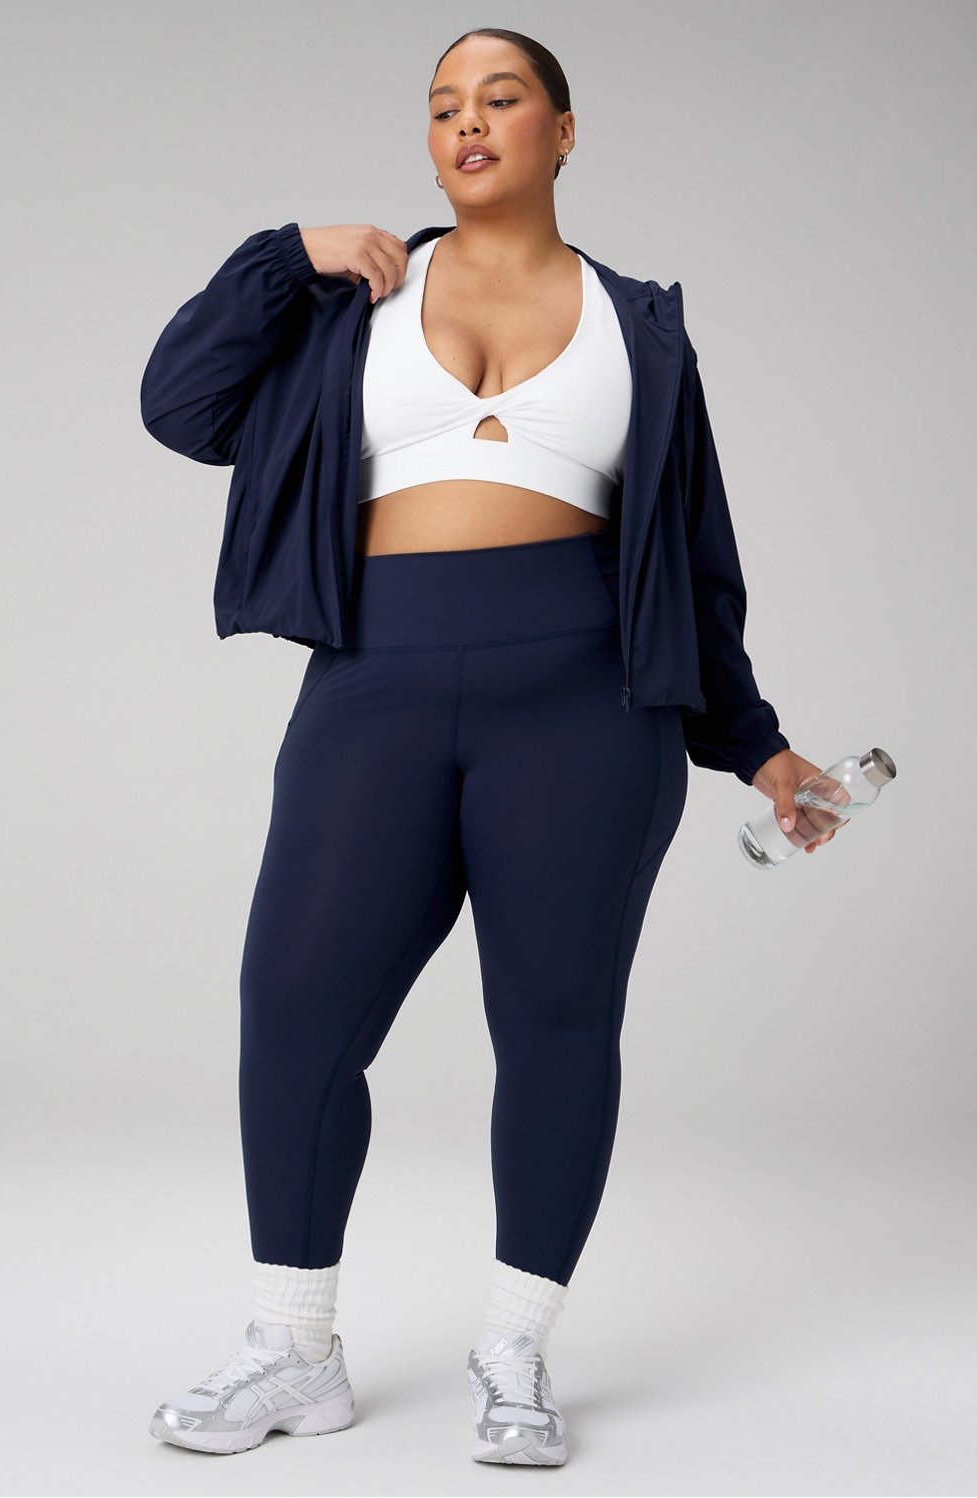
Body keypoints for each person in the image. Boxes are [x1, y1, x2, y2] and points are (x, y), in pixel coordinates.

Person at [142, 25, 836, 1469]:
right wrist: (283, 254)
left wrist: (758, 746)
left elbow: (693, 553)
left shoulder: (643, 325)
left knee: (557, 1021)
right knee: (294, 1003)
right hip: (375, 686)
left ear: (561, 131)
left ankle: (514, 1347)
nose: (466, 122)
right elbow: (180, 406)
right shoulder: (354, 297)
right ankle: (294, 1349)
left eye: (500, 97)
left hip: (585, 704)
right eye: (443, 105)